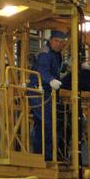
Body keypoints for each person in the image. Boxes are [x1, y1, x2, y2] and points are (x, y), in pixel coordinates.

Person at [30, 30, 67, 160]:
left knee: (48, 124)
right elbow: (42, 70)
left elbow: (55, 71)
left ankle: (45, 155)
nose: (59, 44)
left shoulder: (57, 54)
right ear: (50, 40)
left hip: (48, 93)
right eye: (56, 41)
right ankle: (44, 156)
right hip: (38, 92)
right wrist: (51, 80)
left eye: (61, 42)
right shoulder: (45, 54)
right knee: (46, 123)